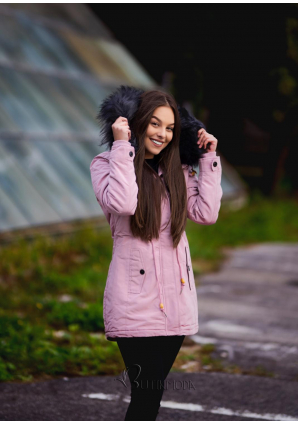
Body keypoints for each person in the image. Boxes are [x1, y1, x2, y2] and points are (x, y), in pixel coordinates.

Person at [90, 87, 223, 420]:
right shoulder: (108, 164)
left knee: (151, 396)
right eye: (154, 124)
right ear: (135, 122)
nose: (162, 134)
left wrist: (207, 157)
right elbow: (123, 203)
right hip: (134, 302)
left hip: (175, 301)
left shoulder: (176, 172)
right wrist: (122, 145)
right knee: (146, 395)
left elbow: (206, 213)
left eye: (170, 128)